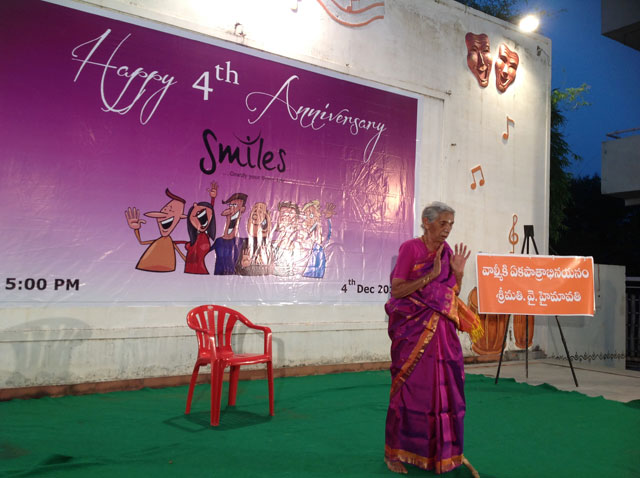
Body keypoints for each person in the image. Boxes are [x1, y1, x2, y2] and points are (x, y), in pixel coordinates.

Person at [384, 201, 482, 477]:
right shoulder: (410, 249)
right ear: (427, 223)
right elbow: (398, 290)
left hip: (443, 337)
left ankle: (443, 453)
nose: (447, 229)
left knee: (446, 395)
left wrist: (458, 273)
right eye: (443, 223)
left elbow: (451, 295)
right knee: (409, 395)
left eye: (451, 224)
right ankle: (394, 453)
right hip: (413, 335)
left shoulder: (447, 251)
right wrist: (431, 275)